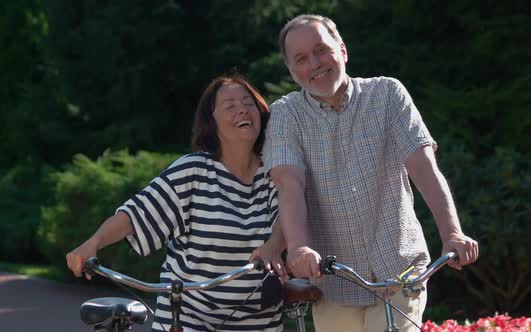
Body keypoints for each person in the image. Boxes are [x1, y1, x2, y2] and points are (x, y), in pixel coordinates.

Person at [262, 14, 479, 332]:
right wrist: (298, 248)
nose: (315, 63)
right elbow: (289, 184)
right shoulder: (285, 113)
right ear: (293, 71)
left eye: (322, 50)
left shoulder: (388, 94)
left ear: (343, 50)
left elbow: (424, 168)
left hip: (400, 273)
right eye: (302, 59)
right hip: (333, 281)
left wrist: (453, 234)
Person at [66, 74, 287, 332]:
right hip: (188, 319)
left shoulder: (275, 171)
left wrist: (273, 246)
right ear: (211, 122)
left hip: (259, 322)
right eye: (229, 106)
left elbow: (288, 217)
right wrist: (92, 243)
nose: (241, 109)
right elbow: (137, 214)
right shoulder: (193, 171)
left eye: (248, 102)